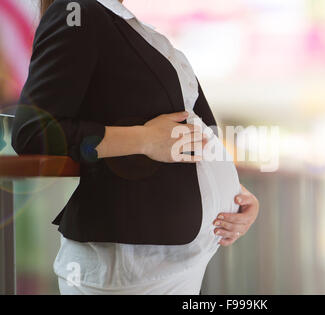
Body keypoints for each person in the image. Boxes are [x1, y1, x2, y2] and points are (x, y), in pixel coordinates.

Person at [12, 0, 259, 295]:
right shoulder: (76, 11)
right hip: (129, 268)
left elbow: (187, 134)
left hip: (170, 260)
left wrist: (236, 197)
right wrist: (144, 139)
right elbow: (33, 132)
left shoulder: (130, 27)